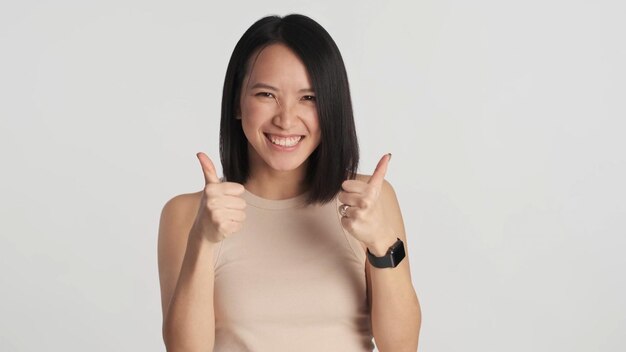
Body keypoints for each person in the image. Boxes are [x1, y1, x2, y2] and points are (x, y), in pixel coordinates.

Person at [157, 14, 421, 351]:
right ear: (238, 102)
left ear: (331, 108)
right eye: (266, 94)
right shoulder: (187, 213)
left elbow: (401, 346)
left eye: (308, 98)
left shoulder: (369, 200)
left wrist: (382, 241)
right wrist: (203, 241)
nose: (285, 119)